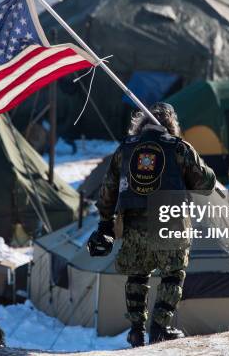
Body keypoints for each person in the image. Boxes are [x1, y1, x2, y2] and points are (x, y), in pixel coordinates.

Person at [87, 102, 216, 347]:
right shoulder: (179, 147)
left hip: (135, 224)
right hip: (170, 221)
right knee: (172, 275)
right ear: (171, 125)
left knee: (137, 275)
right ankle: (161, 326)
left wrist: (106, 223)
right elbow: (206, 184)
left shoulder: (125, 149)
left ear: (140, 124)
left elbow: (107, 190)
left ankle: (136, 331)